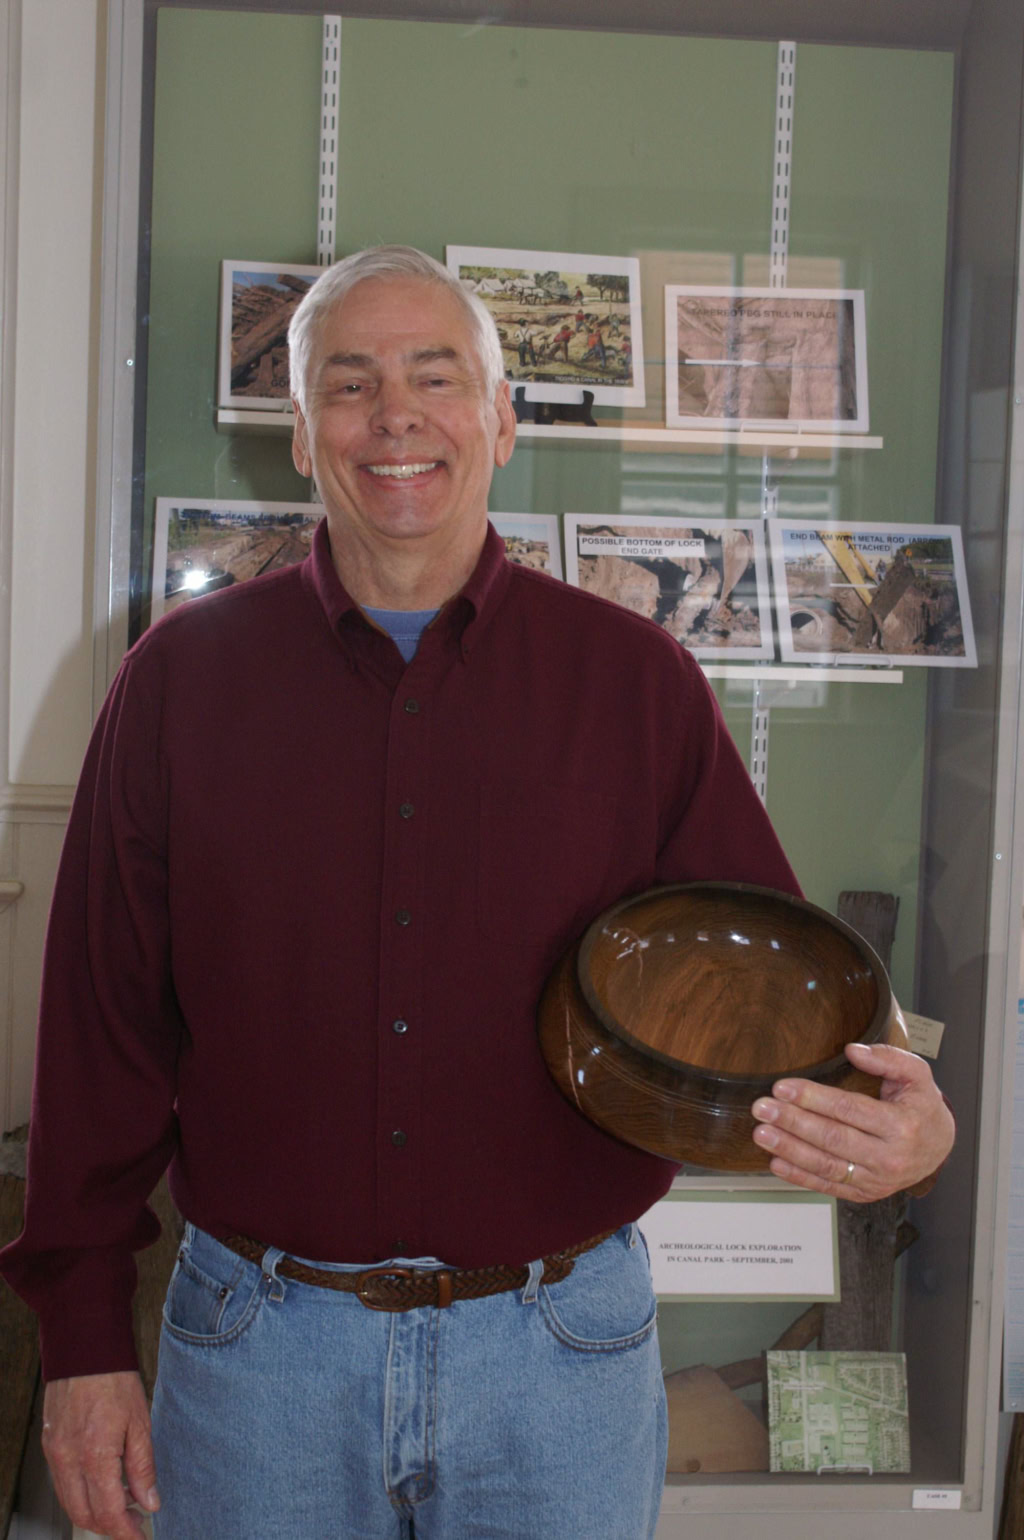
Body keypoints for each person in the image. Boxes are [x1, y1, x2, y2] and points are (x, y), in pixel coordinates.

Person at [0, 246, 954, 1540]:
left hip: (558, 1357)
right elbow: (100, 1029)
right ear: (299, 434)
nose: (394, 416)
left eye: (436, 377)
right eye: (349, 383)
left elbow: (765, 991)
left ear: (502, 421)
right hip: (259, 1358)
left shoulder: (636, 686)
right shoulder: (181, 685)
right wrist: (79, 1337)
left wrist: (891, 1114)